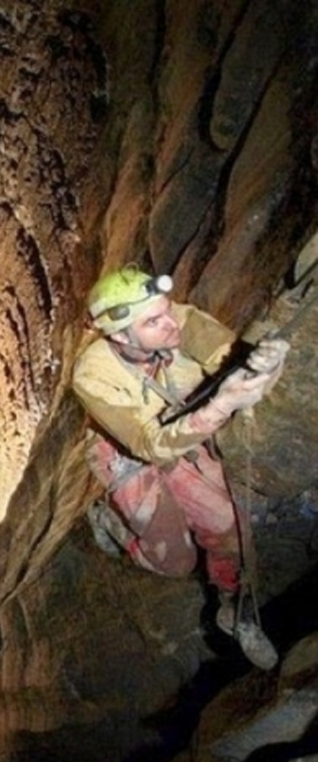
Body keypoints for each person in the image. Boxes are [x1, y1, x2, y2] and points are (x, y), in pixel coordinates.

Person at [72, 265, 290, 670]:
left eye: (166, 309)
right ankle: (111, 522)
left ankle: (234, 609)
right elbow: (147, 445)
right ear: (120, 335)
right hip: (126, 452)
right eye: (153, 321)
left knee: (230, 524)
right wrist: (221, 404)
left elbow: (239, 368)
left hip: (183, 433)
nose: (171, 323)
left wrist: (266, 367)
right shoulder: (92, 374)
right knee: (176, 563)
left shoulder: (182, 322)